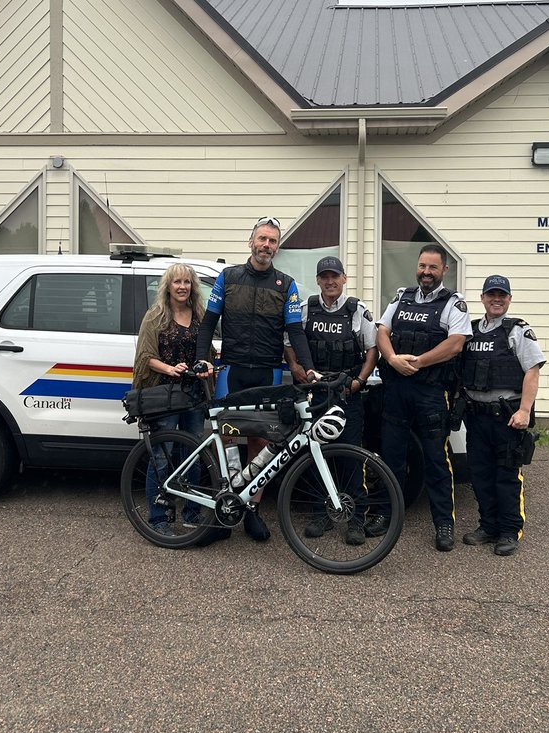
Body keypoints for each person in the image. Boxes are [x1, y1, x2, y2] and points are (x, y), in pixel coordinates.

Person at [195, 217, 316, 542]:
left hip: (269, 372)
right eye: (262, 239)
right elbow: (208, 323)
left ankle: (251, 511)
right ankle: (225, 512)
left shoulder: (285, 283)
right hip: (232, 370)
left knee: (261, 443)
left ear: (277, 247)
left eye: (272, 241)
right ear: (251, 242)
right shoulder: (228, 277)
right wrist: (202, 357)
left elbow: (295, 330)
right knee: (226, 440)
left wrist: (309, 366)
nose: (266, 245)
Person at [372, 244, 470, 552]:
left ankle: (443, 523)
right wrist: (391, 359)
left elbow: (455, 344)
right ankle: (386, 514)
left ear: (444, 270)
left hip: (429, 391)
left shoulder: (453, 303)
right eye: (422, 266)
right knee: (392, 457)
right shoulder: (402, 297)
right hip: (397, 389)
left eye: (433, 267)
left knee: (436, 460)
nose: (426, 272)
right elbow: (382, 331)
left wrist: (418, 362)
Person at [284, 255, 378, 546]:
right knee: (316, 455)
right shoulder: (305, 309)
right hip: (316, 395)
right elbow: (289, 343)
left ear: (344, 279)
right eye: (324, 276)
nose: (330, 281)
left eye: (334, 276)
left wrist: (359, 381)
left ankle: (356, 519)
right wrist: (296, 369)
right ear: (318, 281)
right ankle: (321, 513)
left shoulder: (356, 310)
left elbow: (372, 349)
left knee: (351, 456)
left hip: (346, 394)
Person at [458, 274, 546, 557]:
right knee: (480, 474)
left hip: (507, 417)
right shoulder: (470, 331)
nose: (497, 299)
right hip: (476, 416)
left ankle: (509, 531)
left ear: (509, 299)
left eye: (502, 295)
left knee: (506, 476)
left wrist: (525, 410)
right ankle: (488, 526)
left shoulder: (518, 330)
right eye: (491, 294)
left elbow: (532, 371)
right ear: (483, 298)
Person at [132, 263, 213, 536]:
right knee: (161, 456)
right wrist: (171, 368)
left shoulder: (199, 314)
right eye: (177, 282)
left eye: (187, 282)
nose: (182, 286)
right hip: (164, 396)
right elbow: (145, 358)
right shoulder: (155, 316)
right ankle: (159, 519)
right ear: (168, 286)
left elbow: (208, 351)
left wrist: (207, 364)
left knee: (192, 455)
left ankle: (192, 512)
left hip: (193, 396)